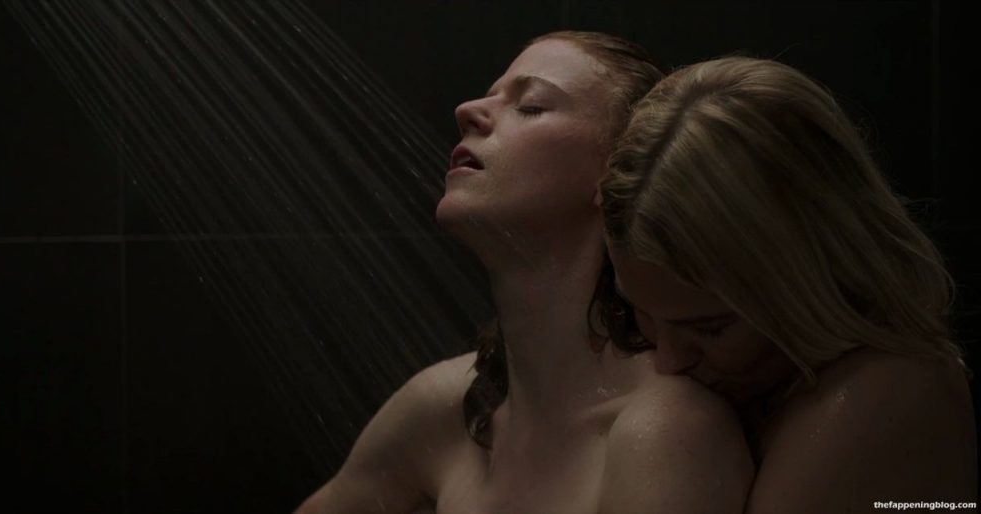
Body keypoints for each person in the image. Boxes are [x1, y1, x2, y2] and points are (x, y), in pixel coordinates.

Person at [296, 32, 753, 514]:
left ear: (623, 175)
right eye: (491, 95)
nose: (467, 110)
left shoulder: (664, 432)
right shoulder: (445, 410)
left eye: (530, 105)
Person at [600, 56, 978, 512]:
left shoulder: (884, 392)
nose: (667, 361)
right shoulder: (780, 392)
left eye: (709, 329)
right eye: (642, 313)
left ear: (812, 275)